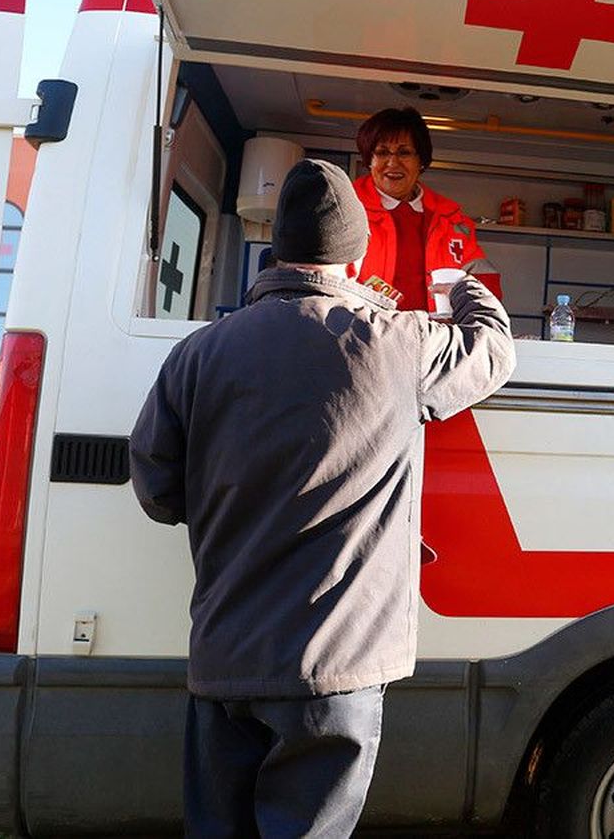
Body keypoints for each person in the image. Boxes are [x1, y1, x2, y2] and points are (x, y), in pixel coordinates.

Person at [129, 159, 515, 837]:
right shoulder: (400, 343)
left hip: (226, 660)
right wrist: (463, 286)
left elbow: (157, 491)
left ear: (276, 249)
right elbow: (492, 350)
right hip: (337, 670)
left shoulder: (196, 355)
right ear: (358, 255)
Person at [352, 107, 503, 310]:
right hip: (362, 335)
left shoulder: (452, 220)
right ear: (369, 160)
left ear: (421, 161)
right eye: (382, 152)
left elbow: (487, 289)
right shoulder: (345, 211)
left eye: (404, 152)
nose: (392, 162)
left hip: (434, 337)